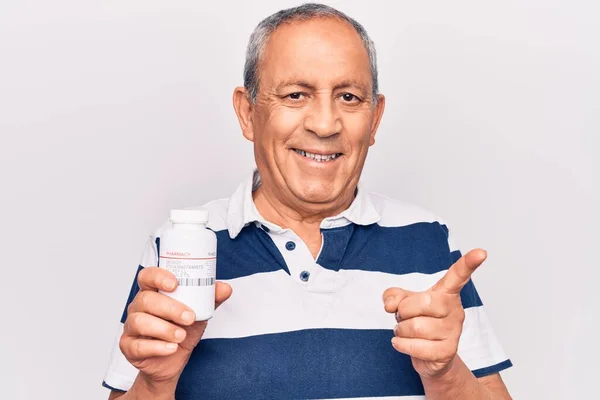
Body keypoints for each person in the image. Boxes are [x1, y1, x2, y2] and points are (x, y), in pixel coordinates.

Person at [103, 3, 512, 399]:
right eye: (296, 95)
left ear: (375, 118)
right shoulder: (180, 248)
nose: (324, 124)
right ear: (247, 113)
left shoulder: (427, 240)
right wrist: (156, 385)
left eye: (349, 97)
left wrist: (444, 373)